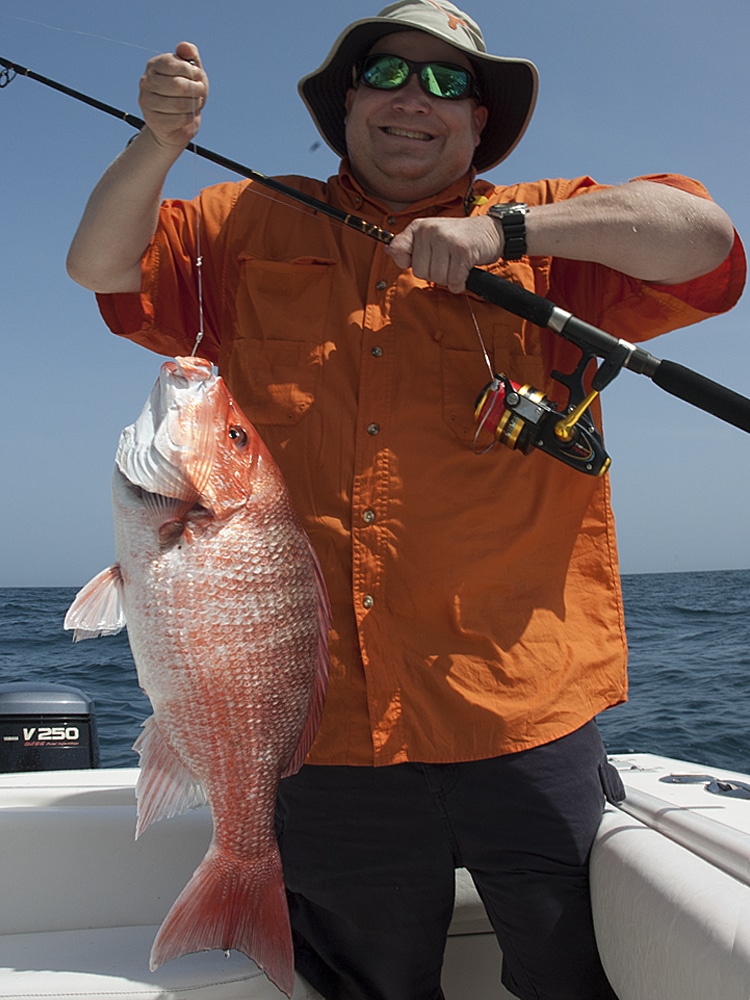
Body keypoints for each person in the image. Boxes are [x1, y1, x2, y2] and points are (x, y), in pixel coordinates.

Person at [67, 3, 745, 998]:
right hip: (324, 730)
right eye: (388, 74)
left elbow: (706, 239)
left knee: (574, 975)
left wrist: (503, 230)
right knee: (368, 986)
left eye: (447, 85)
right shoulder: (242, 223)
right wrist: (156, 145)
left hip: (524, 710)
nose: (412, 102)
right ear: (348, 102)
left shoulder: (556, 228)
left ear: (481, 122)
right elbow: (102, 267)